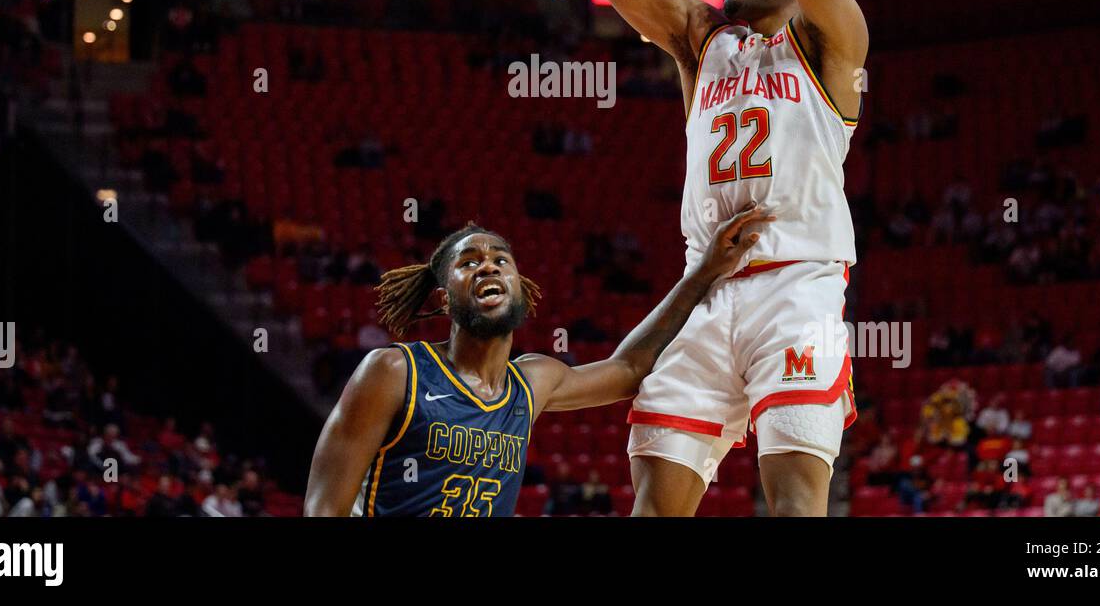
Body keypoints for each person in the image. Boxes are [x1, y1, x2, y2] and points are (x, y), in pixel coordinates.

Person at [568, 0, 866, 518]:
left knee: (793, 503)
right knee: (654, 506)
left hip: (798, 285)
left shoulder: (831, 39)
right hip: (702, 287)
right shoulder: (704, 43)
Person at [304, 205, 774, 516]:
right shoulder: (394, 373)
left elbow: (630, 369)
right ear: (445, 301)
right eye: (469, 262)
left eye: (501, 259)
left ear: (520, 289)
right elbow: (324, 509)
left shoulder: (532, 382)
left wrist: (705, 272)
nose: (488, 264)